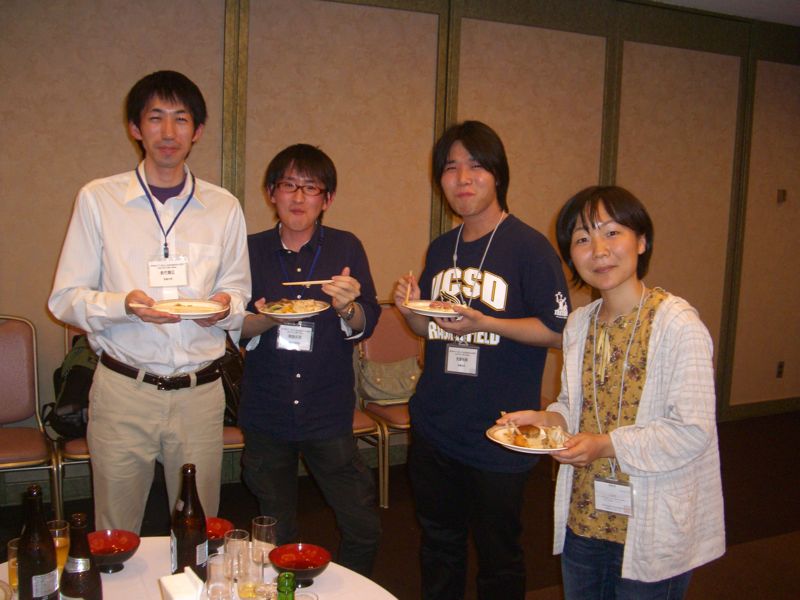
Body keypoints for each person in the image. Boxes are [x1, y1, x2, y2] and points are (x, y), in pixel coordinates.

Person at [499, 186, 725, 599]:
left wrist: (605, 445)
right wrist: (544, 420)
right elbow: (573, 405)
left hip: (651, 521)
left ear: (641, 241)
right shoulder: (579, 324)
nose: (599, 250)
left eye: (612, 232)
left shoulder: (677, 324)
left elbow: (692, 431)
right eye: (582, 238)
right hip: (587, 514)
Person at [48, 70, 251, 533]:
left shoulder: (223, 206)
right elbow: (65, 299)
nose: (168, 131)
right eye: (155, 118)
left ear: (198, 131)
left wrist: (224, 306)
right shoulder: (99, 200)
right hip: (124, 390)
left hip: (200, 393)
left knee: (198, 527)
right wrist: (125, 305)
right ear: (135, 128)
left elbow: (239, 291)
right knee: (115, 531)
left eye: (181, 119)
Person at [394, 121, 570, 599]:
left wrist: (486, 323)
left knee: (499, 557)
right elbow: (429, 330)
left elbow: (559, 331)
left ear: (498, 174)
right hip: (435, 426)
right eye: (450, 168)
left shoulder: (530, 248)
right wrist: (411, 312)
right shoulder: (441, 248)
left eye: (475, 165)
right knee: (438, 545)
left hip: (501, 432)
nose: (463, 178)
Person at [239, 143, 381, 577]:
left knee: (362, 523)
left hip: (327, 408)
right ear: (271, 193)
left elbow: (366, 321)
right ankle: (286, 591)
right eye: (288, 186)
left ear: (327, 198)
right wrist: (265, 318)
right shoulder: (249, 249)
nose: (299, 197)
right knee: (275, 528)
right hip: (267, 409)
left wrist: (346, 308)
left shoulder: (346, 246)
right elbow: (232, 329)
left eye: (311, 187)